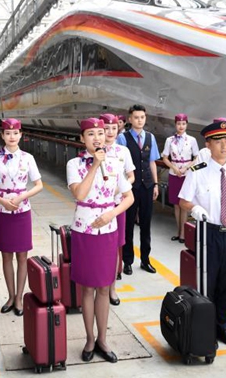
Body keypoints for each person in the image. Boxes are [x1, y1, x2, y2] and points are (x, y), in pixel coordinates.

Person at [178, 120, 226, 348]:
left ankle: (223, 328)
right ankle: (206, 331)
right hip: (207, 234)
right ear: (207, 144)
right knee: (207, 286)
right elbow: (183, 201)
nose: (224, 145)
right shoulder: (197, 172)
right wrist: (194, 208)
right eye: (218, 141)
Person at [68, 118, 134, 363]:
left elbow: (128, 197)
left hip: (108, 230)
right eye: (91, 134)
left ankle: (103, 340)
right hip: (84, 230)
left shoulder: (116, 163)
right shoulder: (74, 164)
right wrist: (94, 166)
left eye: (100, 133)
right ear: (82, 139)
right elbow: (79, 193)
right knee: (87, 287)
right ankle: (88, 338)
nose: (97, 138)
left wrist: (111, 214)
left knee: (105, 287)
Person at [0, 118, 43, 316]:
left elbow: (38, 185)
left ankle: (20, 297)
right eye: (8, 133)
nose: (12, 137)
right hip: (2, 210)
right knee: (6, 255)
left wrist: (23, 196)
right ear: (2, 135)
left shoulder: (28, 158)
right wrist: (2, 200)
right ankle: (10, 296)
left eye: (15, 133)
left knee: (22, 256)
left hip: (22, 211)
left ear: (21, 135)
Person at [115, 104, 159, 274]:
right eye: (136, 117)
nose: (139, 120)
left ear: (145, 118)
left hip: (147, 186)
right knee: (128, 225)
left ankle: (145, 260)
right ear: (130, 119)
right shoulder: (123, 138)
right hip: (130, 188)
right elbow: (120, 166)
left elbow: (152, 162)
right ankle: (127, 261)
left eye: (142, 117)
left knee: (146, 225)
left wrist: (155, 184)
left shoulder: (150, 137)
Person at [98, 113, 134, 306]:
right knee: (100, 246)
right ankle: (99, 283)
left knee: (116, 246)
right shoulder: (95, 153)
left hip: (118, 206)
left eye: (113, 128)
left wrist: (120, 188)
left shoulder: (123, 152)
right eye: (105, 129)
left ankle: (112, 288)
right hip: (98, 207)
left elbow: (131, 176)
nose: (110, 132)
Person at [161, 113, 199, 243]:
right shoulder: (169, 140)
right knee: (176, 205)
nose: (181, 126)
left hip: (187, 175)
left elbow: (196, 158)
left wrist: (185, 168)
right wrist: (174, 168)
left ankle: (183, 233)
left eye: (183, 124)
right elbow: (165, 158)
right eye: (178, 124)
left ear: (186, 124)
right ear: (175, 124)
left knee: (185, 204)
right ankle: (179, 230)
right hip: (174, 173)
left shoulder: (192, 140)